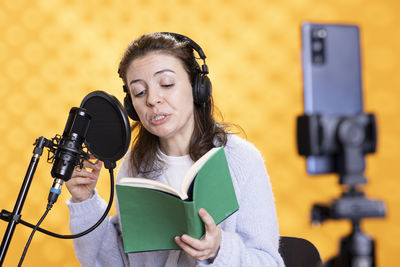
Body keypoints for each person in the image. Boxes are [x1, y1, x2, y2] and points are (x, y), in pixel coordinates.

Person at [66, 32, 285, 267]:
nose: (153, 99)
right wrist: (84, 200)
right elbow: (117, 262)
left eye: (167, 84)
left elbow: (268, 262)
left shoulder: (241, 160)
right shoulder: (133, 167)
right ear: (131, 106)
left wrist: (218, 250)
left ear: (197, 87)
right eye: (139, 92)